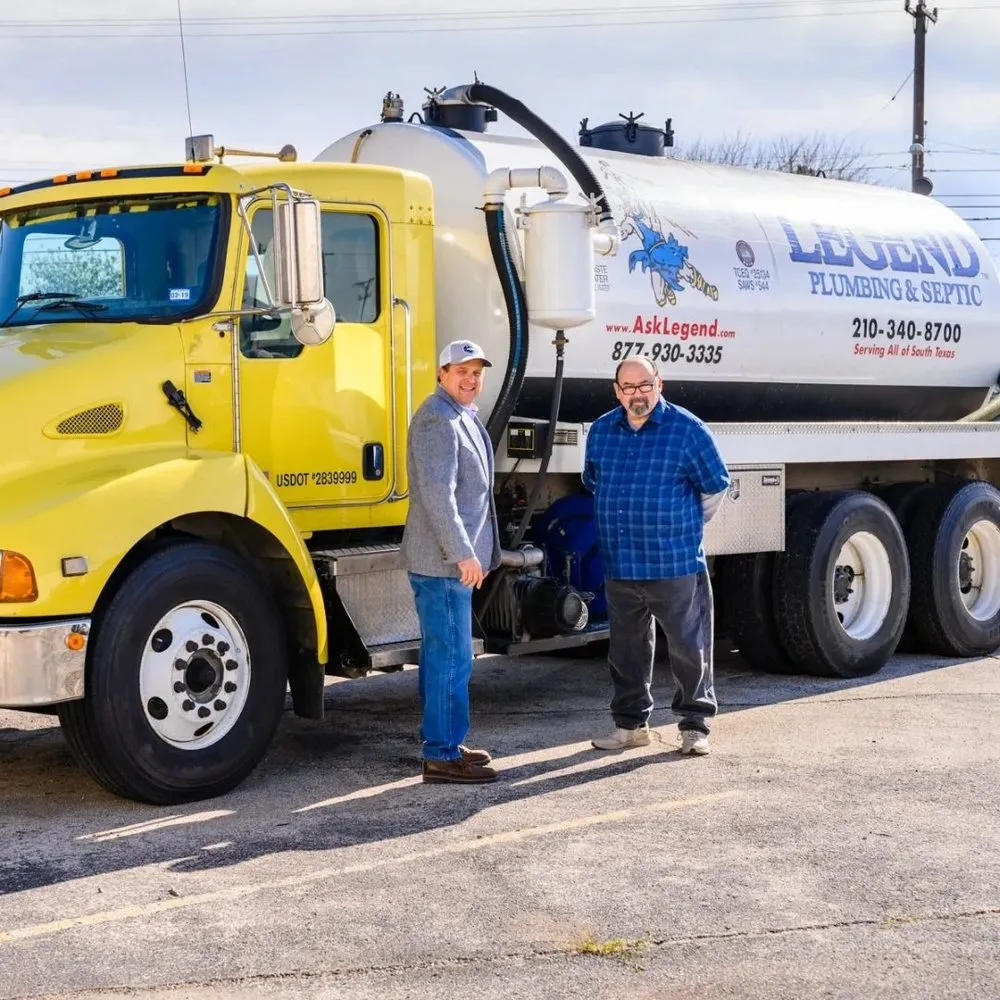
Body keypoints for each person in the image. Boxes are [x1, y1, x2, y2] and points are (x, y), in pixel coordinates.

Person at [582, 356, 730, 755]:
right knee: (626, 649)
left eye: (644, 385)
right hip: (620, 560)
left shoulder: (687, 430)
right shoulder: (600, 431)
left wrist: (684, 531)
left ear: (659, 384)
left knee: (688, 645)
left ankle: (694, 726)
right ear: (617, 391)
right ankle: (631, 727)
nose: (637, 395)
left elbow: (715, 487)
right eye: (628, 388)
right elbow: (595, 481)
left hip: (673, 561)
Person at [401, 339, 503, 784]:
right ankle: (441, 755)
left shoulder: (461, 415)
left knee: (443, 656)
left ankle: (444, 742)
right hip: (443, 563)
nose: (470, 378)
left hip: (448, 562)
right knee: (452, 658)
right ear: (442, 373)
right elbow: (437, 496)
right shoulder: (437, 420)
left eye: (477, 371)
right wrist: (462, 552)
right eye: (461, 371)